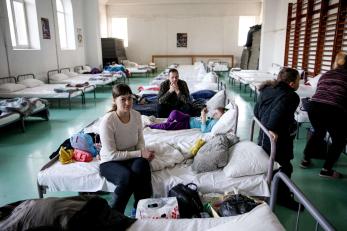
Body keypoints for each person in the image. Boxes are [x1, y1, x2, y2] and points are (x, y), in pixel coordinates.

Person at [99, 83, 155, 214]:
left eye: (129, 98)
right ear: (114, 101)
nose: (127, 102)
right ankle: (113, 215)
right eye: (122, 99)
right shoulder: (108, 121)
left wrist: (143, 153)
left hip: (130, 157)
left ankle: (140, 209)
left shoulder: (136, 115)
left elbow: (140, 139)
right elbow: (112, 154)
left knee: (143, 166)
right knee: (127, 178)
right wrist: (140, 152)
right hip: (110, 161)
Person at [254, 67, 301, 211]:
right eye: (299, 80)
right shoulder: (291, 96)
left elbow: (256, 112)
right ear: (292, 83)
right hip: (276, 139)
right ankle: (283, 198)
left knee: (271, 166)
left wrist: (267, 128)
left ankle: (272, 191)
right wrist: (272, 128)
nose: (300, 83)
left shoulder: (266, 90)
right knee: (284, 168)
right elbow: (278, 112)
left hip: (262, 136)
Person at [300, 51, 347, 178]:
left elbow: (320, 90)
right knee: (339, 140)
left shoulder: (326, 74)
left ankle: (306, 160)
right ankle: (326, 170)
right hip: (332, 109)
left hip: (314, 106)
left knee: (318, 133)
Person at [148, 107, 225, 133]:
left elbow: (204, 130)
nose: (214, 114)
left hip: (188, 125)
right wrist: (204, 113)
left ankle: (151, 126)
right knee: (174, 112)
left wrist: (204, 118)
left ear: (221, 117)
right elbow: (202, 118)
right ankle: (167, 123)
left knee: (170, 125)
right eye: (215, 112)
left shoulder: (215, 122)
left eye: (217, 114)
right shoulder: (213, 118)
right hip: (189, 118)